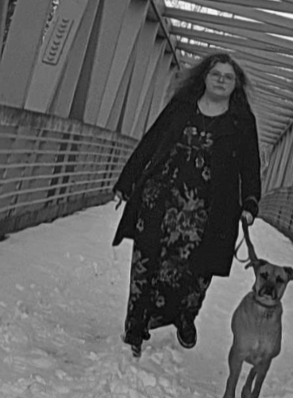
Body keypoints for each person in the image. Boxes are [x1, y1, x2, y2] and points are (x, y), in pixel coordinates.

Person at [111, 52, 262, 357]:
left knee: (194, 273)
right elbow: (151, 142)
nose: (221, 80)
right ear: (204, 77)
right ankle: (135, 327)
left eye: (228, 77)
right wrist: (126, 184)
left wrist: (249, 201)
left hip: (209, 209)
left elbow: (250, 164)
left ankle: (184, 316)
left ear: (236, 85)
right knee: (147, 261)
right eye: (216, 74)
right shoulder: (181, 107)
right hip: (160, 197)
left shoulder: (242, 121)